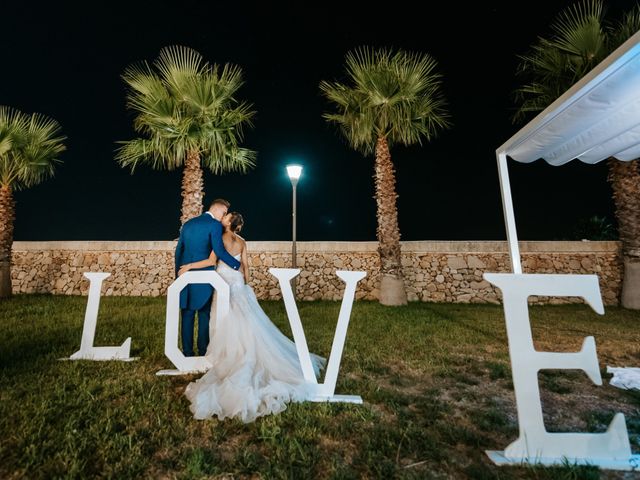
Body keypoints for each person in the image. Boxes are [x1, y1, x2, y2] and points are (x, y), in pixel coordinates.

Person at [178, 212, 326, 423]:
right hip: (238, 283)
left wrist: (190, 266)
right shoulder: (242, 242)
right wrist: (245, 286)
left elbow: (212, 260)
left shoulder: (218, 238)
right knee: (247, 320)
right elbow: (246, 266)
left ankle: (226, 354)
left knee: (225, 319)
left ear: (229, 223)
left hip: (224, 283)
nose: (223, 219)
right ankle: (244, 348)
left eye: (225, 217)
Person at [174, 199, 241, 357]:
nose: (224, 216)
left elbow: (179, 251)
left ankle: (187, 353)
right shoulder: (214, 225)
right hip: (205, 275)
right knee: (204, 314)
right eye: (224, 213)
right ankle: (203, 352)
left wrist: (178, 273)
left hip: (185, 275)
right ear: (217, 210)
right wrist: (237, 266)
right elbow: (219, 250)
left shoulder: (188, 224)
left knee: (187, 314)